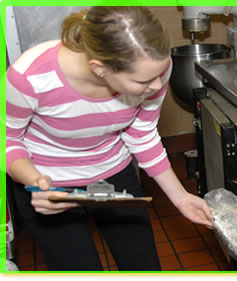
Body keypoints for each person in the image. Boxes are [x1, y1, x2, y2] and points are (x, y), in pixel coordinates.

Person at [6, 6, 213, 271]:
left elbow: (142, 134)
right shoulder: (29, 78)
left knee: (143, 268)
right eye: (143, 82)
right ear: (99, 68)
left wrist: (181, 198)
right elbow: (7, 141)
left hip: (113, 173)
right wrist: (36, 182)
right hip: (49, 182)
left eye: (159, 75)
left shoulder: (153, 69)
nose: (157, 86)